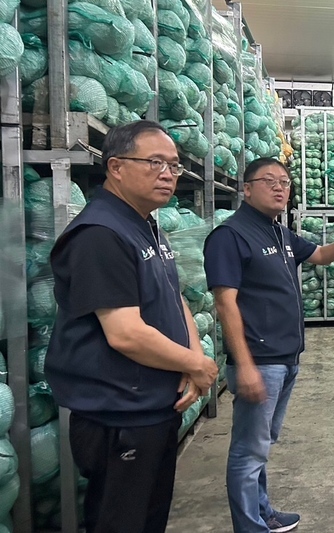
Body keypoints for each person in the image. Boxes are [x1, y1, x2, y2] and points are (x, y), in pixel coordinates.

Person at [45, 120, 219, 533]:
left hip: (151, 407)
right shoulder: (101, 233)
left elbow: (173, 295)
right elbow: (124, 333)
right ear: (116, 166)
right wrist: (197, 366)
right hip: (120, 414)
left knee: (149, 517)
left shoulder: (145, 224)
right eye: (155, 162)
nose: (168, 174)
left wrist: (193, 357)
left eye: (174, 166)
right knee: (120, 521)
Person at [203, 157, 334, 533]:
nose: (280, 187)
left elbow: (318, 256)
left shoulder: (280, 233)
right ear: (246, 189)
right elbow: (224, 302)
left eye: (285, 181)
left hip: (285, 358)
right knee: (248, 451)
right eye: (269, 181)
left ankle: (263, 511)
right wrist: (245, 364)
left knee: (262, 443)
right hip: (259, 361)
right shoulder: (229, 236)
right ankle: (250, 526)